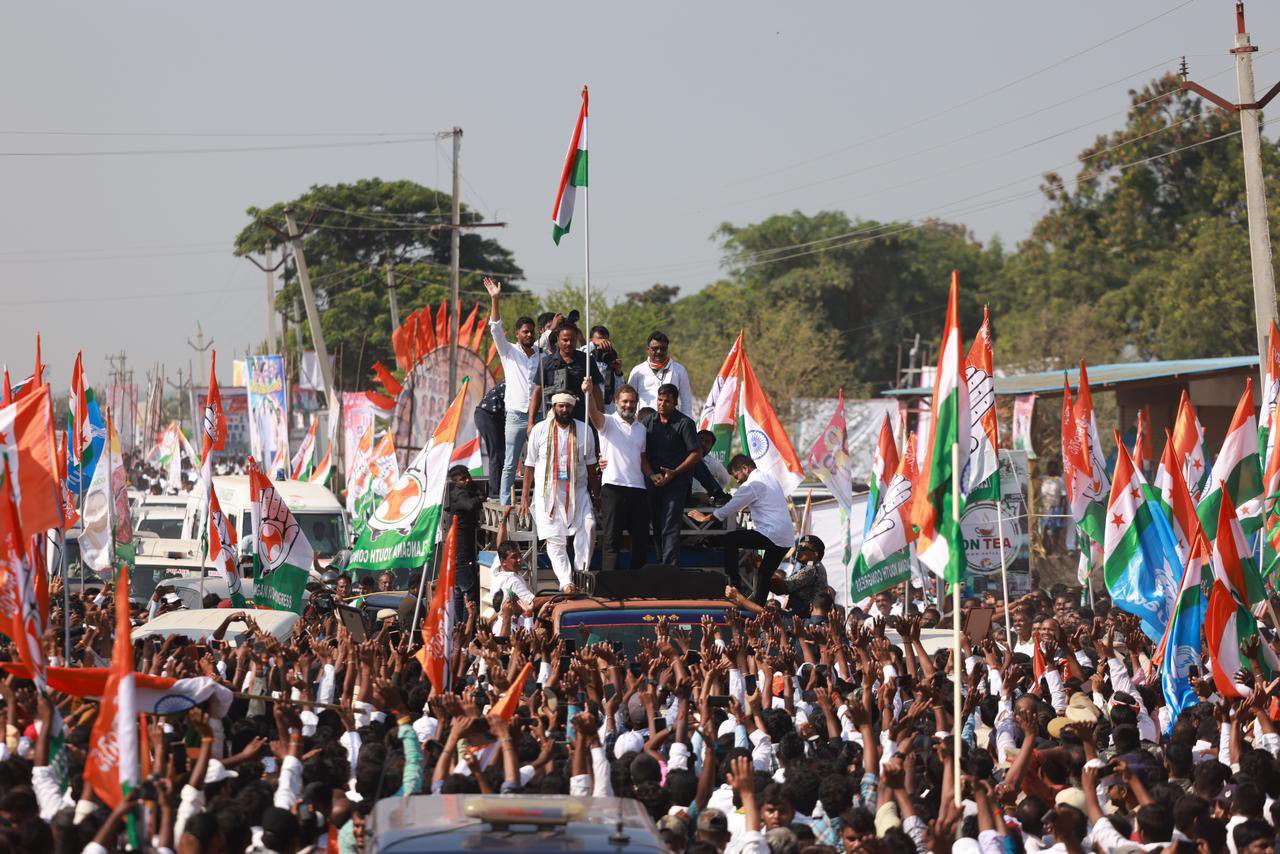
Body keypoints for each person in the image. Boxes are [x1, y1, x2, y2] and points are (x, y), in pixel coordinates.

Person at [520, 392, 600, 591]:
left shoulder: (584, 430)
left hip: (577, 490)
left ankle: (581, 573)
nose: (564, 410)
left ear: (573, 408)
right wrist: (524, 497)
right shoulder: (539, 429)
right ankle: (566, 582)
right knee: (555, 539)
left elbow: (591, 466)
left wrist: (597, 494)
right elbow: (529, 466)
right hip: (548, 494)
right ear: (554, 407)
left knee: (589, 526)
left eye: (568, 407)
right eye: (560, 406)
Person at [688, 454, 793, 605]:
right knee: (764, 574)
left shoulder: (752, 484)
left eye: (736, 475)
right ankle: (757, 609)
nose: (736, 480)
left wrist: (704, 518)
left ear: (745, 468)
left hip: (771, 534)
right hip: (786, 538)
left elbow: (731, 507)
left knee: (730, 539)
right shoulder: (770, 478)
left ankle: (734, 584)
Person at [484, 277, 541, 505]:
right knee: (510, 463)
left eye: (531, 332)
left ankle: (537, 502)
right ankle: (506, 503)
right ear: (517, 334)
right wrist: (495, 299)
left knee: (539, 461)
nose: (529, 335)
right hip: (516, 416)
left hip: (538, 417)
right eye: (525, 332)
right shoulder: (508, 352)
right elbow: (495, 328)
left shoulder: (541, 355)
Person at [585, 379, 652, 572]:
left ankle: (637, 585)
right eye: (624, 401)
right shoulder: (608, 421)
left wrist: (652, 475)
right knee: (612, 539)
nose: (628, 405)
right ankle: (611, 587)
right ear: (616, 402)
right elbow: (593, 414)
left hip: (638, 489)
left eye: (632, 402)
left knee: (640, 540)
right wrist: (588, 394)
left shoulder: (641, 429)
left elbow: (642, 458)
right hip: (613, 488)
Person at [639, 384, 703, 566]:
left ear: (675, 402)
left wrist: (675, 472)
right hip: (653, 482)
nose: (662, 404)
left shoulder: (685, 423)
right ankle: (661, 565)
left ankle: (670, 569)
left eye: (667, 401)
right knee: (657, 526)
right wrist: (651, 475)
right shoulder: (647, 422)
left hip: (676, 483)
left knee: (670, 526)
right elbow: (639, 451)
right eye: (660, 400)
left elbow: (696, 453)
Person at [527, 322, 604, 428]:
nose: (568, 343)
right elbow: (538, 392)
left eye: (572, 340)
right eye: (565, 340)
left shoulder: (587, 361)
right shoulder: (546, 362)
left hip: (581, 419)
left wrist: (602, 419)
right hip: (555, 418)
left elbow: (596, 391)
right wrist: (531, 423)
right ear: (558, 339)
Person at [443, 463, 484, 612]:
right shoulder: (459, 494)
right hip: (462, 553)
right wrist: (479, 498)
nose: (467, 481)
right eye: (462, 479)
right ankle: (467, 627)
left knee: (460, 594)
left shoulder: (466, 490)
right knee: (468, 593)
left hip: (460, 552)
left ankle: (459, 625)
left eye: (467, 477)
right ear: (455, 482)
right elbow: (470, 505)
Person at [627, 330, 695, 412]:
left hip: (672, 422)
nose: (659, 352)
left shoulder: (679, 370)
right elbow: (629, 398)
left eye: (663, 348)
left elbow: (686, 400)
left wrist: (687, 422)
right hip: (644, 422)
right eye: (655, 349)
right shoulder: (638, 371)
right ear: (648, 350)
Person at [770, 534, 828, 617]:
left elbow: (783, 588)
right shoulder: (816, 566)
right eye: (798, 547)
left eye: (803, 548)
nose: (798, 550)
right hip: (805, 615)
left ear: (815, 554)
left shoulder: (811, 569)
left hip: (804, 618)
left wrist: (762, 567)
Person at [473, 380, 505, 500]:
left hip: (494, 415)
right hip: (488, 414)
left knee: (501, 453)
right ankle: (495, 493)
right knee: (497, 454)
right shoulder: (519, 381)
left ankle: (498, 490)